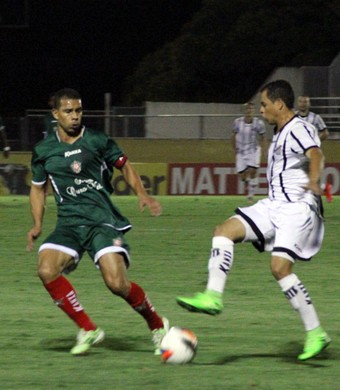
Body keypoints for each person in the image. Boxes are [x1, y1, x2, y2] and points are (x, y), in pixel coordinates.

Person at [177, 80, 331, 361]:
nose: (261, 110)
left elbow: (317, 154)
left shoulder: (300, 128)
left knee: (280, 268)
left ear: (279, 104)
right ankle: (213, 296)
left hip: (297, 208)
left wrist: (313, 181)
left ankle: (315, 332)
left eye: (264, 104)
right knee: (224, 231)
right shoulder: (280, 132)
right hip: (274, 205)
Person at [26, 88, 169, 356]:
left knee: (117, 283)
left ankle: (157, 324)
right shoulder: (44, 151)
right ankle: (88, 328)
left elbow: (125, 165)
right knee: (46, 269)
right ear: (55, 114)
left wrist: (143, 194)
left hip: (102, 221)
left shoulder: (97, 140)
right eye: (68, 111)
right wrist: (37, 224)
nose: (75, 116)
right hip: (68, 223)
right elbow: (37, 188)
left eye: (78, 110)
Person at [297, 95, 332, 202]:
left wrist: (315, 141)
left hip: (311, 154)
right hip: (297, 154)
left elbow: (325, 133)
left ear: (309, 104)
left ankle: (319, 211)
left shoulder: (315, 118)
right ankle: (324, 188)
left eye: (305, 102)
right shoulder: (293, 117)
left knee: (313, 181)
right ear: (298, 104)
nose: (303, 104)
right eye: (301, 102)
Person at [232, 101, 266, 202]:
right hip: (241, 151)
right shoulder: (237, 122)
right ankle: (250, 182)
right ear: (244, 110)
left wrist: (264, 150)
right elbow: (233, 136)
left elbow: (263, 137)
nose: (249, 111)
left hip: (253, 151)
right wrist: (235, 149)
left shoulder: (258, 123)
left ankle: (250, 196)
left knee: (252, 171)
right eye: (247, 109)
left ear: (253, 110)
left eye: (251, 109)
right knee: (242, 177)